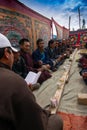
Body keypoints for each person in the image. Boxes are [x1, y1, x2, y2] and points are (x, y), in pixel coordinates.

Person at [0, 33, 63, 130]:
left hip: (27, 76)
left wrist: (39, 66)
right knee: (56, 119)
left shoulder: (24, 58)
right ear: (7, 53)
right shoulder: (14, 80)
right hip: (23, 80)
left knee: (44, 72)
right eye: (13, 52)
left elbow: (29, 67)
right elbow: (35, 120)